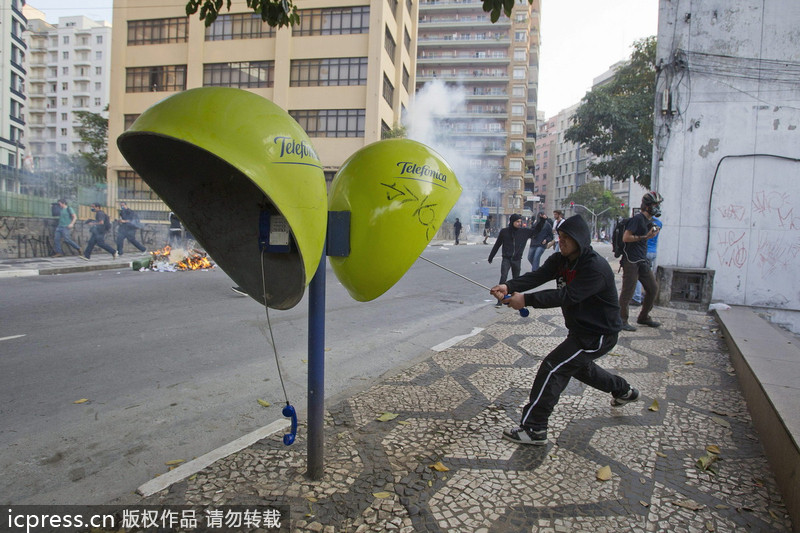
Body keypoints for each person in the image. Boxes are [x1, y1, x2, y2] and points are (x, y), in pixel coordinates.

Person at [490, 214, 639, 446]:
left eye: (567, 238)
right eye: (560, 236)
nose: (562, 242)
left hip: (599, 334)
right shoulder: (561, 259)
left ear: (580, 240)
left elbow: (567, 295)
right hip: (580, 331)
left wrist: (525, 300)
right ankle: (624, 391)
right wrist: (509, 285)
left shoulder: (594, 267)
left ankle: (534, 428)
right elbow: (538, 275)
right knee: (581, 369)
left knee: (553, 367)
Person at [618, 191, 663, 331]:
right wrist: (644, 237)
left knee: (653, 288)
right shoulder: (637, 219)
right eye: (655, 205)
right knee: (628, 291)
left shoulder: (648, 221)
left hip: (642, 260)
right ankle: (621, 320)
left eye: (658, 205)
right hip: (631, 260)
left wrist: (652, 232)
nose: (657, 207)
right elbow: (626, 237)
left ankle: (644, 317)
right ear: (647, 206)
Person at [488, 214, 533, 307]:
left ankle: (515, 300)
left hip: (517, 260)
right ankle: (500, 300)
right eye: (517, 222)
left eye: (520, 221)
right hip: (506, 259)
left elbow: (537, 231)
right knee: (503, 277)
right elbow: (497, 244)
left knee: (516, 280)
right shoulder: (504, 232)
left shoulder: (523, 232)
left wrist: (542, 220)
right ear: (512, 222)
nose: (519, 223)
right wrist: (491, 256)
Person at [631, 216, 662, 306]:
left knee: (638, 275)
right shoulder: (659, 223)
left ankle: (636, 297)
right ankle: (645, 294)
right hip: (653, 251)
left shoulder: (645, 223)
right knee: (648, 274)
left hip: (644, 251)